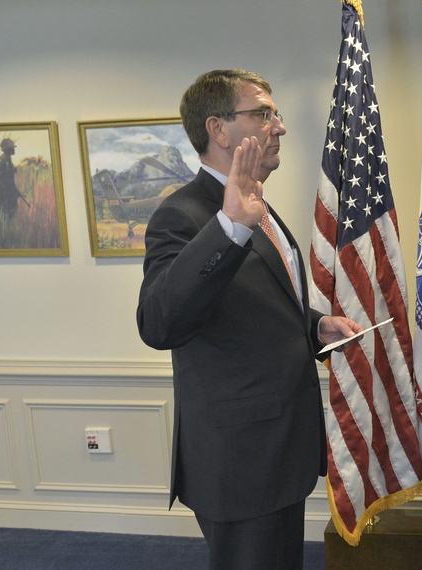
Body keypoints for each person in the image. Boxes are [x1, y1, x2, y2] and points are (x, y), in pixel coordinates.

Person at [136, 69, 362, 570]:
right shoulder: (186, 215)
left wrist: (313, 325)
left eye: (275, 113)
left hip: (280, 450)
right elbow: (158, 323)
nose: (278, 126)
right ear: (218, 129)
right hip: (239, 461)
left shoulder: (258, 203)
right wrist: (229, 226)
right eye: (263, 113)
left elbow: (249, 304)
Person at [0, 138, 24, 218]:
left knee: (11, 213)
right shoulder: (1, 160)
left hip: (10, 191)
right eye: (12, 148)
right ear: (8, 149)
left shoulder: (8, 160)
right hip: (3, 192)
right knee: (4, 214)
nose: (14, 149)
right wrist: (2, 180)